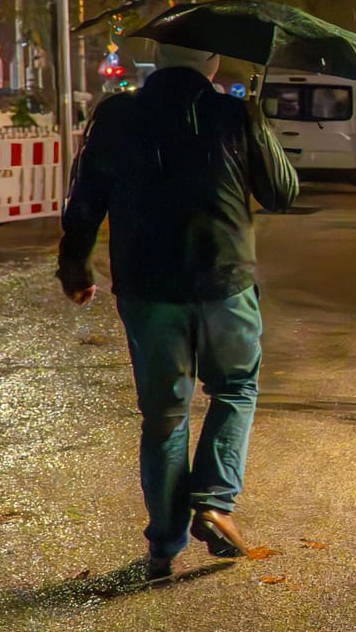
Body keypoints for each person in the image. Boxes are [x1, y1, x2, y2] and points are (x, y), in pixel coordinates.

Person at [57, 43, 298, 581]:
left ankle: (164, 545)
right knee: (234, 388)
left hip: (147, 289)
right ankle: (213, 502)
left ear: (158, 59)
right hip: (224, 283)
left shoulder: (116, 115)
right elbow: (282, 194)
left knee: (164, 417)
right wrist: (256, 118)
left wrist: (75, 267)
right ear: (213, 63)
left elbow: (85, 197)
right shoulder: (233, 113)